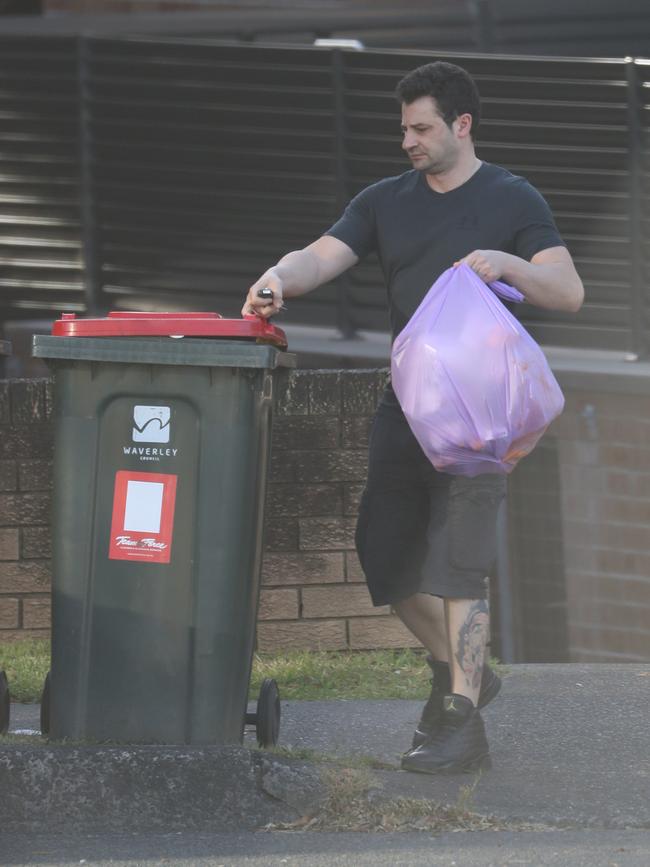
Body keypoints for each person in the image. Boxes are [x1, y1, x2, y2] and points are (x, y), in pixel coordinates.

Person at [242, 61, 584, 774]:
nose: (409, 141)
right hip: (409, 406)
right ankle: (466, 673)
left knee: (461, 566)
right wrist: (279, 278)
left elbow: (568, 291)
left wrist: (506, 262)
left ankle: (459, 716)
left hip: (483, 418)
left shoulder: (511, 197)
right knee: (385, 555)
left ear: (462, 125)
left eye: (422, 127)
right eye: (404, 128)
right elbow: (319, 255)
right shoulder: (384, 201)